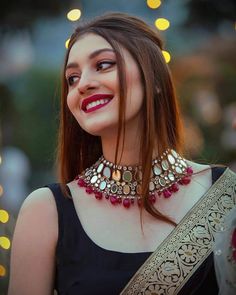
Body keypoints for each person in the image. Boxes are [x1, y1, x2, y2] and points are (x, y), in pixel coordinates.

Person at [8, 13, 236, 295]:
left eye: (103, 65)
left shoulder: (225, 196)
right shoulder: (45, 211)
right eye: (72, 78)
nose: (83, 84)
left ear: (154, 78)